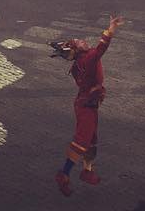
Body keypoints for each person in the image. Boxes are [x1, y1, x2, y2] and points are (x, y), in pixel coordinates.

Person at [50, 14, 124, 196]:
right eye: (78, 42)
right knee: (82, 141)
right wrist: (111, 29)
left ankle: (87, 171)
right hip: (86, 106)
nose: (82, 41)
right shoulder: (88, 59)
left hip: (86, 103)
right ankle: (64, 174)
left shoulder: (78, 65)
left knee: (91, 141)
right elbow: (102, 47)